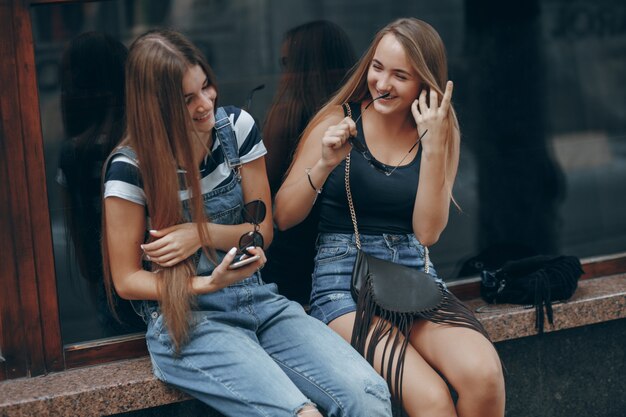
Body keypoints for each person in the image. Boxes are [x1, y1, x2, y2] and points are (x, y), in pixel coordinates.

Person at [102, 29, 392, 417]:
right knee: (299, 414)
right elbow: (125, 280)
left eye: (206, 86)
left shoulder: (236, 130)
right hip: (187, 322)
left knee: (369, 395)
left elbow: (263, 231)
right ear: (156, 106)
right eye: (188, 99)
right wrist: (207, 282)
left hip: (259, 300)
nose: (206, 103)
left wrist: (198, 234)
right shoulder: (129, 168)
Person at [274, 18, 505, 417]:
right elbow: (282, 217)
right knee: (430, 399)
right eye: (377, 67)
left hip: (413, 278)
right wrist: (325, 164)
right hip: (343, 284)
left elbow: (428, 232)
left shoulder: (439, 128)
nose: (382, 83)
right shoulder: (336, 119)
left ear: (424, 84)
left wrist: (432, 148)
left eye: (400, 75)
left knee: (484, 376)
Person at [263, 20, 356, 304]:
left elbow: (261, 189)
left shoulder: (288, 114)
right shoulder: (359, 116)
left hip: (297, 257)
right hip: (340, 261)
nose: (285, 75)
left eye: (289, 64)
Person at [57, 31, 143, 334]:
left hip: (110, 296)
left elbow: (84, 258)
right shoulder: (150, 144)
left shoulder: (72, 155)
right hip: (162, 286)